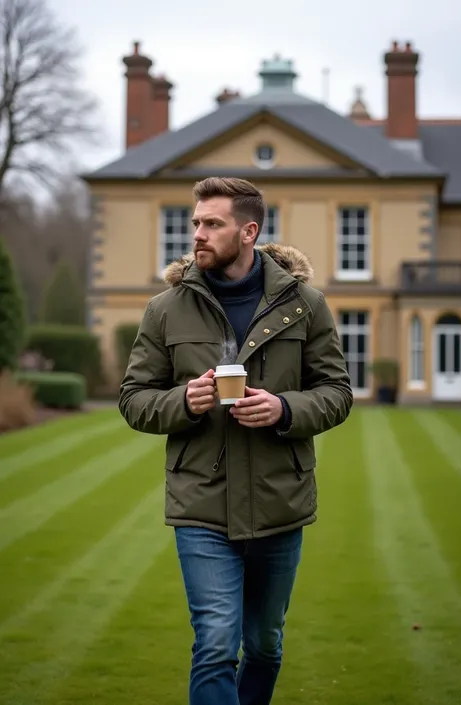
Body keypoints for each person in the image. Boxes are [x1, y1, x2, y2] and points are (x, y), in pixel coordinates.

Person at [119, 177, 353, 705]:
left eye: (211, 224)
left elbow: (337, 392)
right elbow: (134, 399)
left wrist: (285, 407)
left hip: (279, 503)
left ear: (249, 231)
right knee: (217, 645)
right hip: (202, 502)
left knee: (264, 646)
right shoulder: (165, 309)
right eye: (196, 222)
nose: (196, 233)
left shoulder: (305, 305)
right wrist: (185, 402)